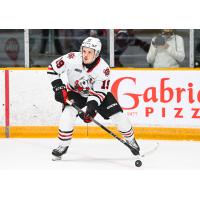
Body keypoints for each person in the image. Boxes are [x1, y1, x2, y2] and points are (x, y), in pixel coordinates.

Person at [47, 37, 140, 160]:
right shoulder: (71, 58)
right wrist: (58, 87)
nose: (85, 55)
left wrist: (91, 109)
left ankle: (131, 140)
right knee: (67, 115)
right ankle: (63, 145)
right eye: (84, 51)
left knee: (119, 116)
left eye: (89, 52)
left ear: (96, 54)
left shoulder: (103, 69)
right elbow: (52, 69)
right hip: (75, 92)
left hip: (96, 95)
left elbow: (98, 92)